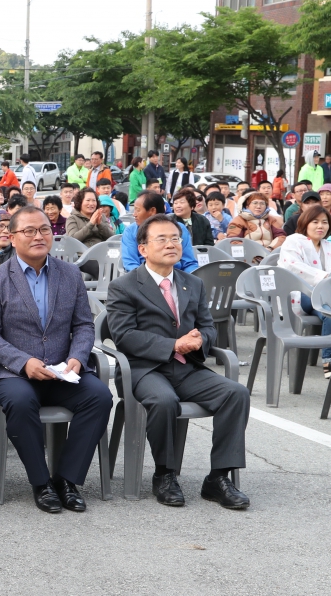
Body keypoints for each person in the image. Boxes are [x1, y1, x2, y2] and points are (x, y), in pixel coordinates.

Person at [106, 214, 251, 510]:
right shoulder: (124, 286)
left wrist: (200, 340)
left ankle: (218, 477)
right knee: (163, 400)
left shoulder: (192, 283)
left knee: (235, 393)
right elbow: (124, 336)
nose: (171, 244)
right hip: (144, 369)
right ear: (143, 248)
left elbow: (208, 326)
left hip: (186, 367)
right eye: (162, 239)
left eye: (176, 238)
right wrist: (173, 344)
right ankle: (165, 474)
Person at [0, 206, 114, 513]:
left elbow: (83, 325)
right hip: (17, 374)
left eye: (45, 230)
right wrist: (23, 362)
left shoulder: (69, 274)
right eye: (29, 231)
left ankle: (66, 479)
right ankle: (41, 483)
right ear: (11, 238)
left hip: (62, 370)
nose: (38, 236)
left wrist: (77, 357)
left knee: (100, 397)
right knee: (21, 402)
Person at [279, 205, 331, 377]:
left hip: (327, 294)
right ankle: (329, 360)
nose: (320, 226)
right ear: (305, 223)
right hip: (301, 294)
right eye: (315, 222)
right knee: (330, 311)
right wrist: (325, 276)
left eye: (324, 222)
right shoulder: (294, 241)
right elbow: (293, 267)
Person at [121, 192, 199, 273]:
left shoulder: (179, 228)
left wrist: (187, 281)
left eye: (138, 210)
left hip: (177, 278)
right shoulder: (130, 231)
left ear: (152, 211)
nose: (134, 214)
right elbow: (130, 264)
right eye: (161, 239)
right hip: (144, 278)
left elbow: (189, 263)